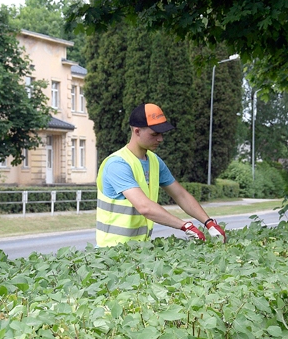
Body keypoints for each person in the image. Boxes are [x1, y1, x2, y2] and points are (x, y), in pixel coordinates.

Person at [95, 103, 227, 247]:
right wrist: (185, 226)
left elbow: (180, 195)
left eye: (161, 133)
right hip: (111, 253)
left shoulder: (154, 161)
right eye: (154, 134)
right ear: (137, 131)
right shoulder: (117, 164)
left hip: (139, 250)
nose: (160, 139)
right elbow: (144, 207)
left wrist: (208, 223)